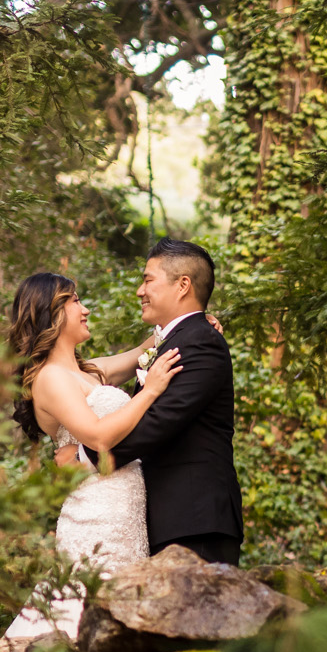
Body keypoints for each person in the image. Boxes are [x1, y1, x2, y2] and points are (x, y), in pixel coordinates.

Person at [0, 271, 184, 642]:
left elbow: (141, 353)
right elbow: (99, 436)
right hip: (94, 518)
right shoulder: (50, 378)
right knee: (85, 615)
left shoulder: (88, 372)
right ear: (51, 313)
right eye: (75, 301)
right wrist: (150, 392)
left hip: (125, 514)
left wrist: (186, 326)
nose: (85, 309)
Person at [109, 238, 245, 565]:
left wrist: (92, 458)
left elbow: (160, 422)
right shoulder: (179, 338)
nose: (140, 291)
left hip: (195, 521)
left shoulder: (200, 341)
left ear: (182, 285)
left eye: (147, 279)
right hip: (175, 520)